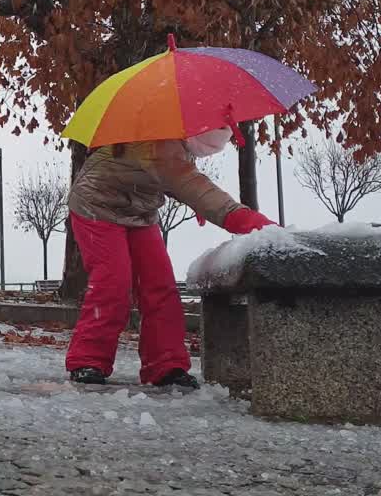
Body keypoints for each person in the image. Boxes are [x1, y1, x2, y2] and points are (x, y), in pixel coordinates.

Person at [65, 127, 275, 389]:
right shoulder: (163, 145)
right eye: (219, 129)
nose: (224, 133)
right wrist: (261, 227)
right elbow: (200, 191)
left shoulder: (172, 139)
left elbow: (170, 177)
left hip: (140, 212)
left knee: (160, 285)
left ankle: (165, 365)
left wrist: (189, 193)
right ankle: (88, 360)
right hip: (96, 204)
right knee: (113, 283)